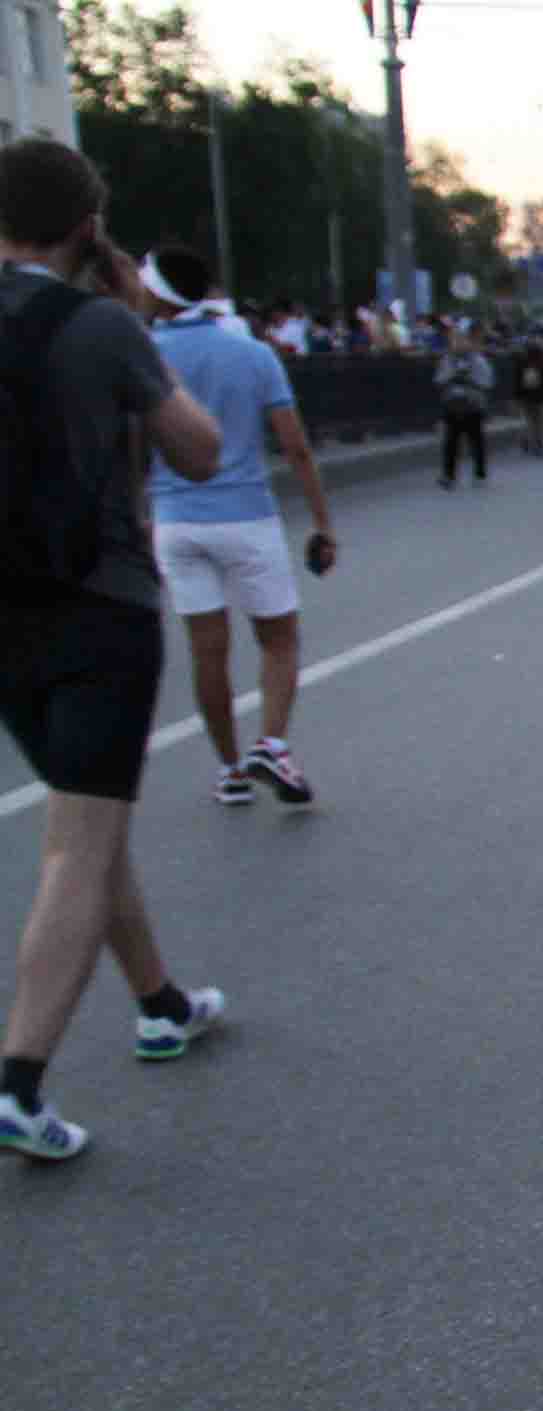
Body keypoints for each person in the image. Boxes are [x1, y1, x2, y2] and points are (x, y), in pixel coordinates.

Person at [0, 139, 229, 1161]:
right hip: (97, 610)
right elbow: (199, 449)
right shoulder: (102, 326)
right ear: (89, 229)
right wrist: (137, 326)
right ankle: (18, 1082)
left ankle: (162, 1003)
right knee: (80, 841)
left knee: (85, 824)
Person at [139, 240, 335, 810]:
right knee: (278, 639)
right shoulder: (251, 354)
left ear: (161, 294)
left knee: (207, 651)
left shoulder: (142, 354)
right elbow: (295, 447)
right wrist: (321, 522)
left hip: (174, 521)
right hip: (247, 517)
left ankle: (229, 769)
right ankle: (272, 743)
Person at [434, 328, 494, 489]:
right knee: (450, 442)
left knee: (476, 441)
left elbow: (487, 381)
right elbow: (439, 380)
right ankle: (449, 475)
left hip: (473, 405)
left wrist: (470, 380)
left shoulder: (478, 360)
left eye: (462, 340)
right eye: (455, 341)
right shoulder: (447, 360)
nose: (458, 344)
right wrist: (451, 377)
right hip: (453, 405)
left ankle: (479, 473)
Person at [513, 330, 543, 455]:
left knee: (526, 420)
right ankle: (539, 444)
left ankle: (526, 441)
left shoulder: (521, 362)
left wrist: (516, 396)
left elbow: (516, 380)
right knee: (539, 421)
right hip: (540, 396)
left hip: (525, 396)